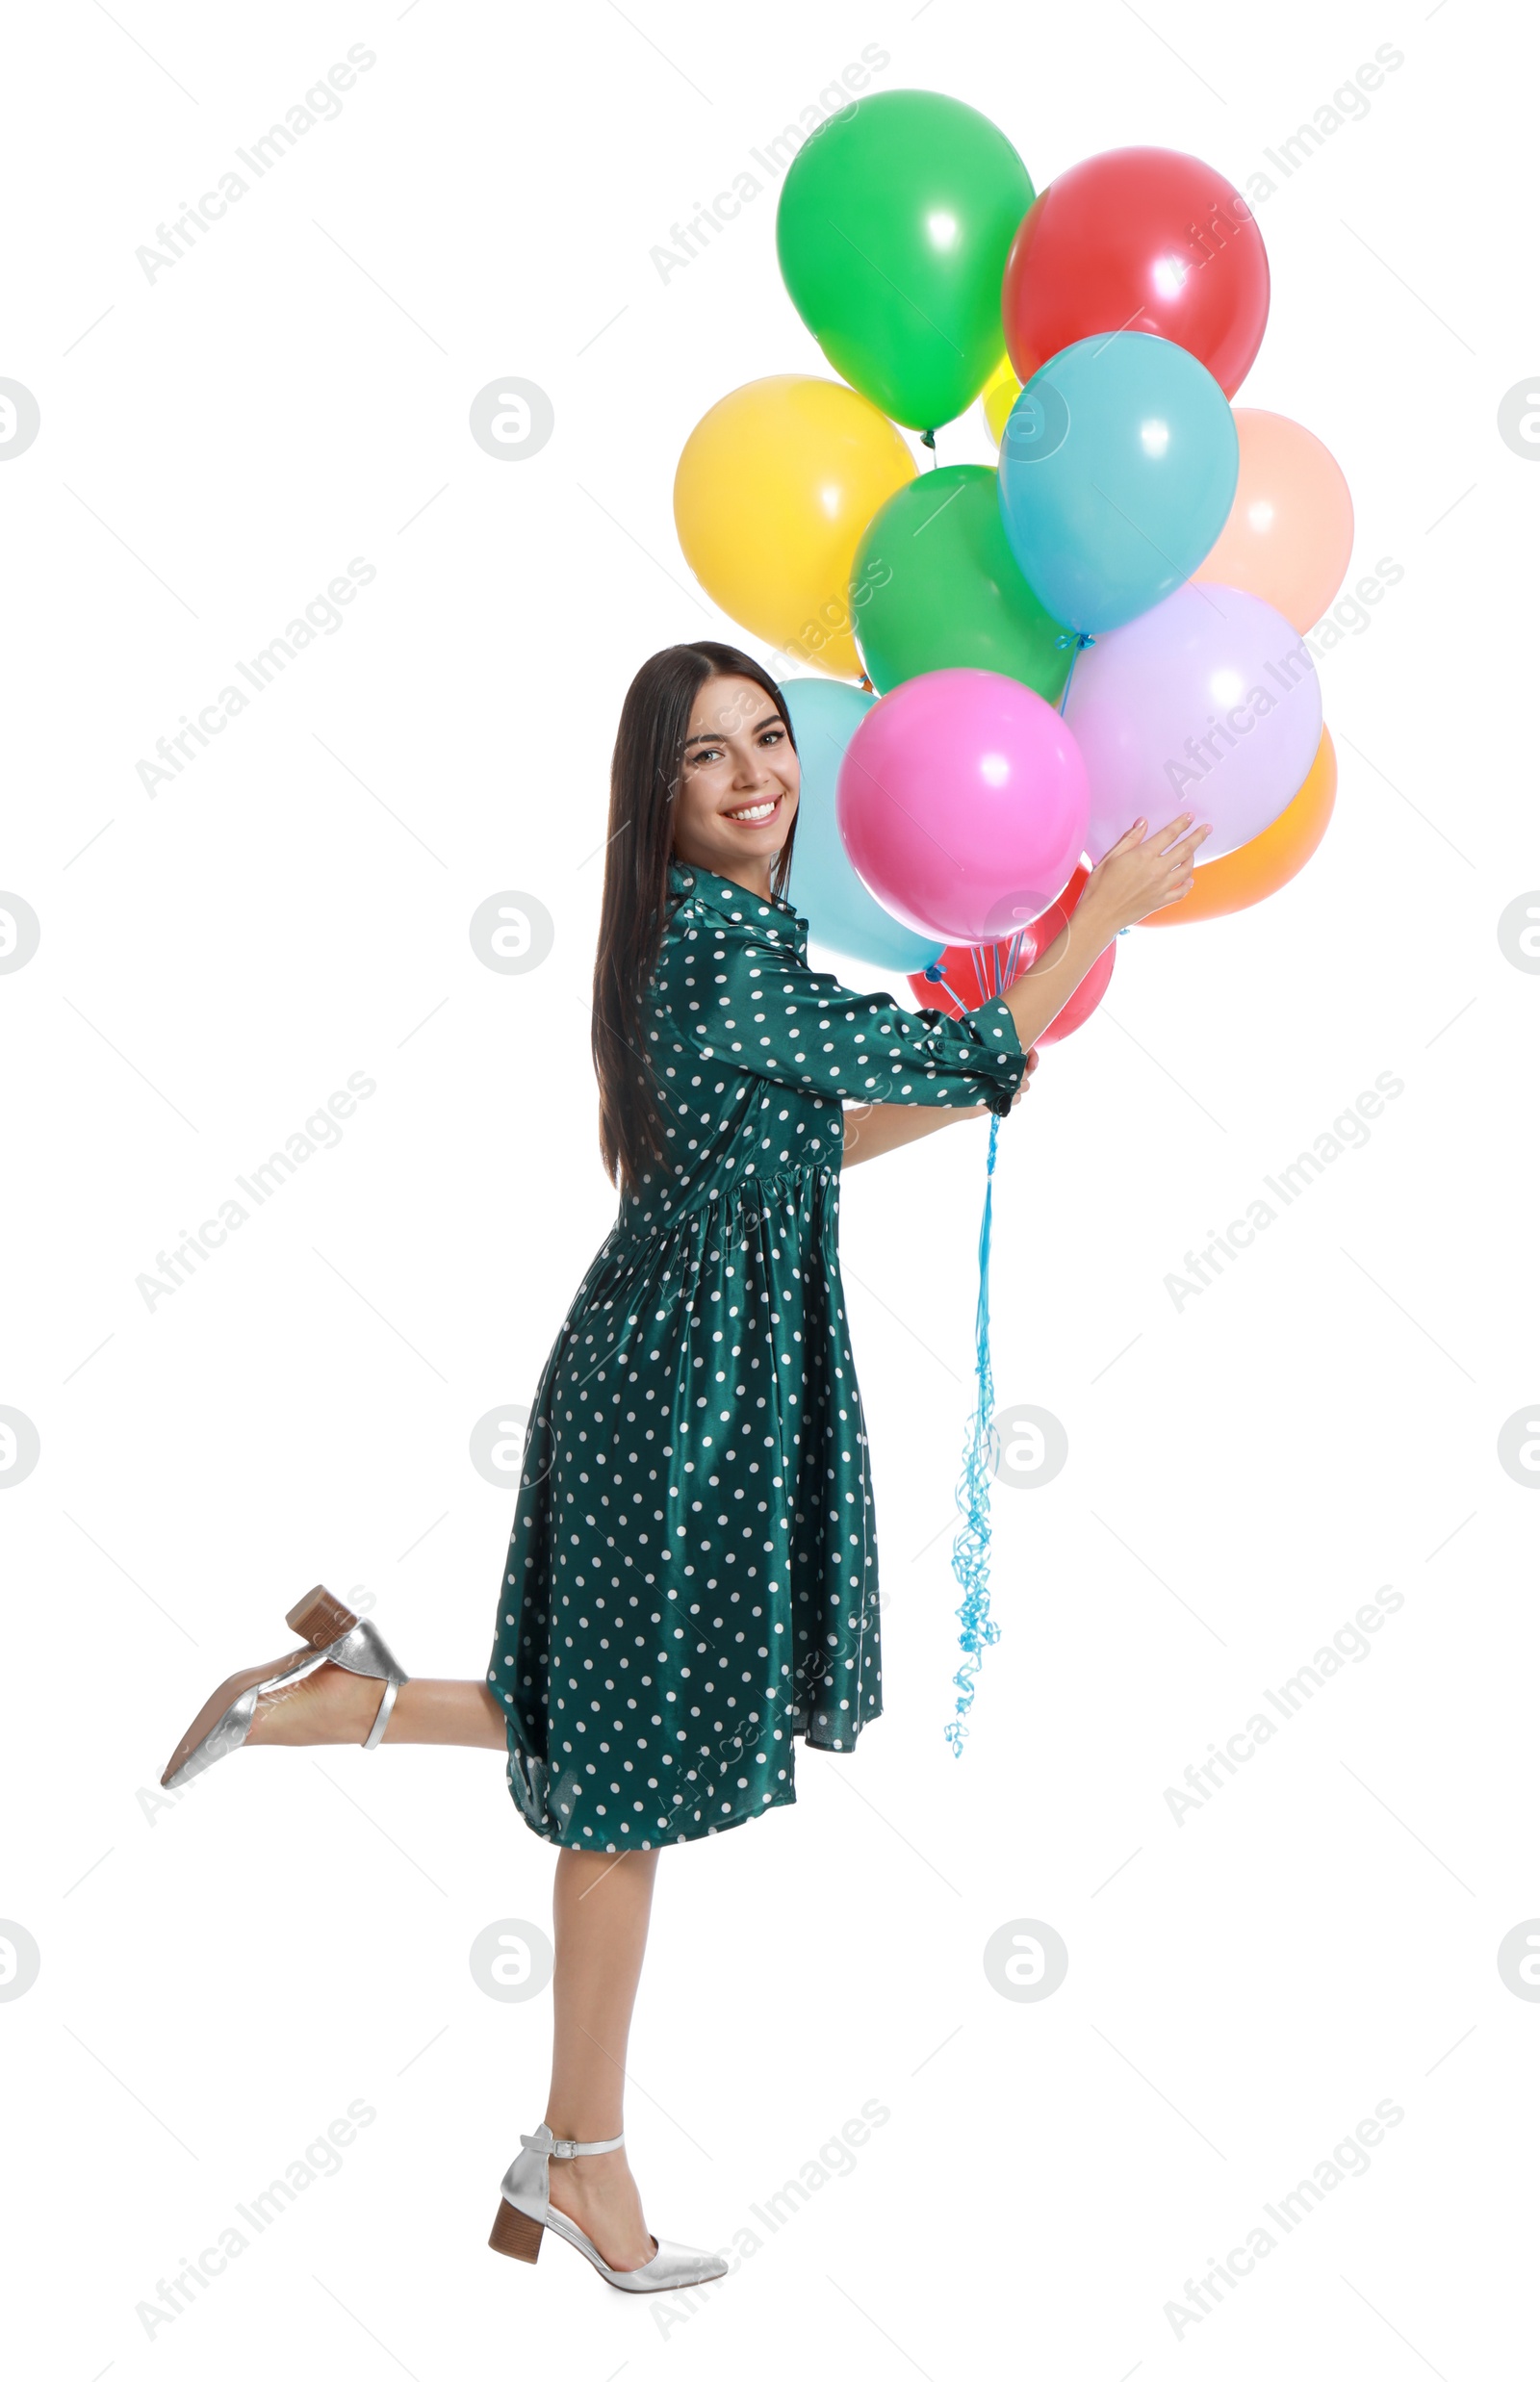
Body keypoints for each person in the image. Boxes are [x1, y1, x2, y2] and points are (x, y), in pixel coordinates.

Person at [160, 639, 1208, 2293]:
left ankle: (330, 1700)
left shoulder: (726, 952)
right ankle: (581, 2157)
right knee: (626, 1793)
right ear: (658, 800)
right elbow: (947, 1062)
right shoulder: (720, 956)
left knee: (610, 1725)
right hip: (682, 1394)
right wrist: (1099, 913)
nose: (758, 775)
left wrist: (987, 1049)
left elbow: (842, 1128)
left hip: (686, 1370)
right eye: (708, 755)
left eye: (772, 739)